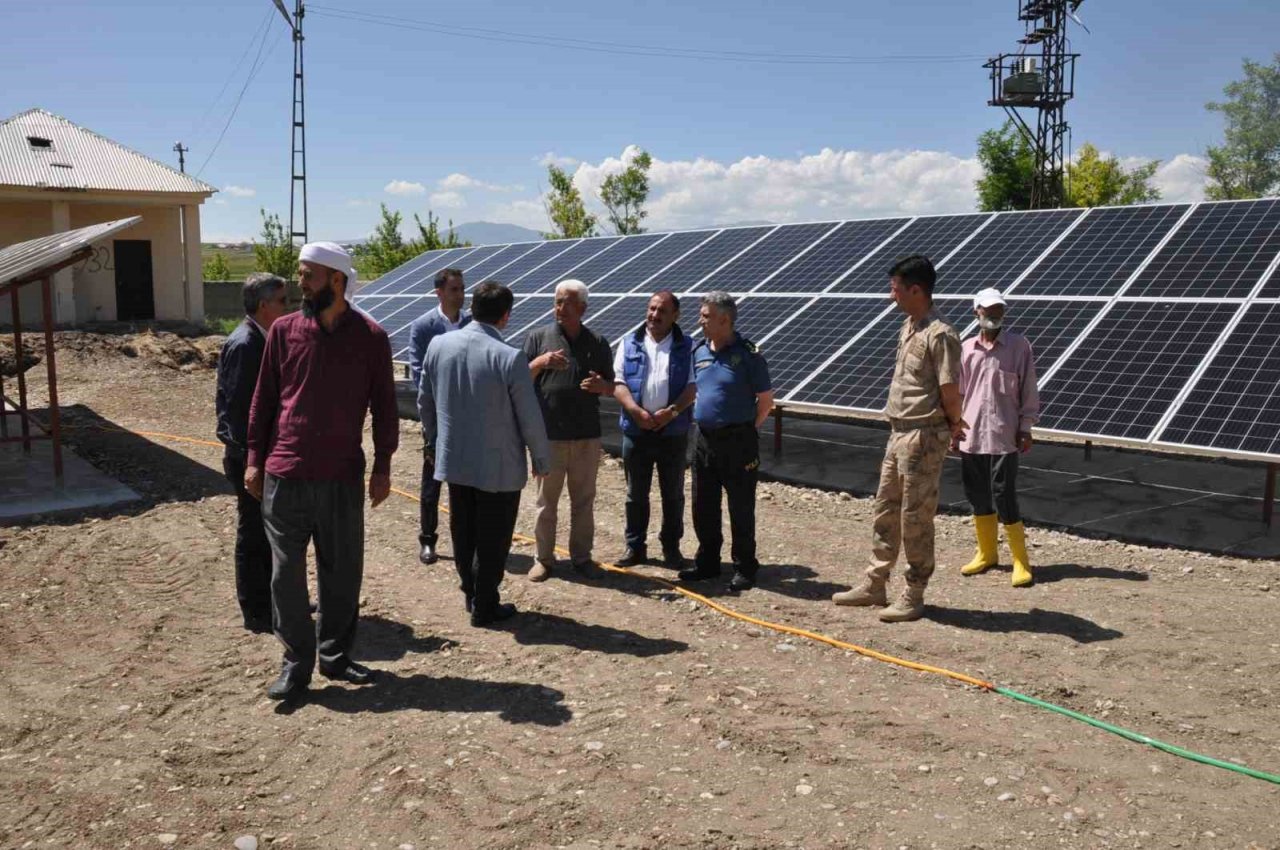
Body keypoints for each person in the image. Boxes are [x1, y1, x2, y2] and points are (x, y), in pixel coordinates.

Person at [246, 241, 399, 701]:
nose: (299, 282)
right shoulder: (284, 332)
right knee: (284, 574)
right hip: (285, 472)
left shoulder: (371, 337)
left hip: (341, 476)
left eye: (307, 274)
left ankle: (335, 657)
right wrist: (254, 458)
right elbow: (263, 400)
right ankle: (296, 663)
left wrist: (383, 466)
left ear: (335, 279)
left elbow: (385, 408)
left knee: (342, 572)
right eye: (299, 273)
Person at [832, 255, 965, 622]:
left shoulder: (941, 334)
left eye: (896, 288)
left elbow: (949, 388)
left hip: (924, 435)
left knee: (915, 518)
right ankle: (876, 583)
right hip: (899, 432)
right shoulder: (908, 327)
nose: (891, 295)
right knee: (885, 510)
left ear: (916, 289)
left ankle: (914, 592)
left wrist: (955, 423)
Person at [418, 281, 551, 626]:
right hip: (498, 467)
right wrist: (541, 457)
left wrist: (433, 441)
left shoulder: (439, 345)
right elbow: (529, 415)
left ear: (472, 308)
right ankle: (485, 604)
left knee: (463, 530)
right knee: (493, 538)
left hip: (454, 459)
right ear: (506, 316)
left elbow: (425, 400)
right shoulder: (509, 357)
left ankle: (470, 593)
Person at [522, 279, 616, 581]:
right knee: (545, 503)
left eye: (567, 302)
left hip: (586, 436)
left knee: (584, 501)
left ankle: (581, 557)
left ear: (583, 308)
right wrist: (541, 361)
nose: (560, 307)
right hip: (549, 436)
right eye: (557, 301)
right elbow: (519, 380)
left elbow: (613, 386)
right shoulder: (538, 338)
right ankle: (544, 559)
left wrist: (603, 387)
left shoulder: (598, 343)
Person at [681, 291, 773, 592]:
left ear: (724, 320)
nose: (700, 320)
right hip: (704, 439)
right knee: (703, 505)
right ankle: (707, 562)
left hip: (738, 440)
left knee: (741, 507)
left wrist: (746, 429)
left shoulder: (748, 354)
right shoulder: (699, 350)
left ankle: (745, 567)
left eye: (706, 316)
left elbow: (765, 402)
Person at [214, 273, 287, 634]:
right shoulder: (246, 345)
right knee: (254, 531)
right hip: (247, 457)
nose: (287, 308)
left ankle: (273, 601)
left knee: (269, 531)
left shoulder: (261, 340)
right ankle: (256, 611)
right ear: (263, 305)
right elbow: (240, 410)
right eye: (282, 301)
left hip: (259, 454)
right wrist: (252, 461)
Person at [956, 288, 1040, 587]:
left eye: (999, 310)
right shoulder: (965, 349)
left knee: (1005, 494)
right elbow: (960, 393)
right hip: (971, 434)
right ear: (976, 311)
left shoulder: (1019, 347)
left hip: (1005, 434)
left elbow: (1028, 389)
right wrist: (954, 427)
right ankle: (987, 553)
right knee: (977, 493)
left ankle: (1020, 560)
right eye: (988, 310)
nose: (994, 315)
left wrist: (1026, 426)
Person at [612, 290, 696, 568]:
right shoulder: (629, 342)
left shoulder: (689, 346)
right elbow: (618, 382)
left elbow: (693, 386)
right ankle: (635, 548)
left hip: (672, 432)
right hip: (637, 430)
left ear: (675, 316)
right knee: (636, 493)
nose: (654, 315)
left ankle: (671, 549)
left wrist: (672, 412)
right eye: (651, 309)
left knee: (672, 493)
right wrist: (635, 411)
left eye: (661, 311)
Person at [407, 267, 471, 566]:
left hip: (469, 416)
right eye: (454, 289)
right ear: (439, 292)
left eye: (461, 288)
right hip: (437, 415)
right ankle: (428, 540)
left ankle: (466, 541)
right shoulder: (423, 326)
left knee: (466, 484)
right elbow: (419, 372)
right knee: (432, 482)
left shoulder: (473, 323)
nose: (460, 294)